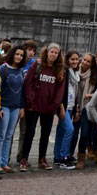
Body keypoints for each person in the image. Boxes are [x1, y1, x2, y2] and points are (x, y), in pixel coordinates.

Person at [18, 42, 66, 171]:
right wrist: (30, 100)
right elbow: (28, 83)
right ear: (47, 52)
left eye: (56, 53)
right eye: (52, 52)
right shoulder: (37, 64)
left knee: (45, 134)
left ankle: (42, 159)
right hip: (34, 105)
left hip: (49, 107)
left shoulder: (60, 70)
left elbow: (60, 90)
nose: (53, 54)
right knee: (29, 133)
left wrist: (55, 104)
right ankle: (24, 159)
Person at [0, 45, 26, 173]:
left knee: (9, 136)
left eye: (21, 55)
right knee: (0, 134)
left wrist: (22, 107)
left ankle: (4, 162)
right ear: (12, 54)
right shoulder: (3, 69)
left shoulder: (21, 70)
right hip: (4, 106)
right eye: (17, 54)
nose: (19, 57)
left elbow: (22, 91)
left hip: (16, 107)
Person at [57, 51, 93, 169]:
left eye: (77, 59)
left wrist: (77, 108)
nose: (75, 61)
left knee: (61, 132)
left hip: (72, 105)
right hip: (64, 105)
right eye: (72, 59)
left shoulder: (75, 73)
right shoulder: (65, 71)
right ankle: (64, 157)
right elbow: (60, 90)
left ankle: (57, 157)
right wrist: (61, 106)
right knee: (70, 130)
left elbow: (75, 92)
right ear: (67, 59)